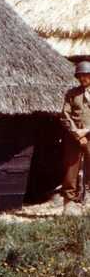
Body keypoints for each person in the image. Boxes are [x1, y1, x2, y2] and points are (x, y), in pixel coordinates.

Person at [60, 60, 90, 215]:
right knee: (70, 169)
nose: (83, 78)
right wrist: (77, 134)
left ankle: (88, 199)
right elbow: (65, 116)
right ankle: (69, 202)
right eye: (80, 76)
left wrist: (87, 132)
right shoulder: (71, 94)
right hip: (74, 137)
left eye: (86, 75)